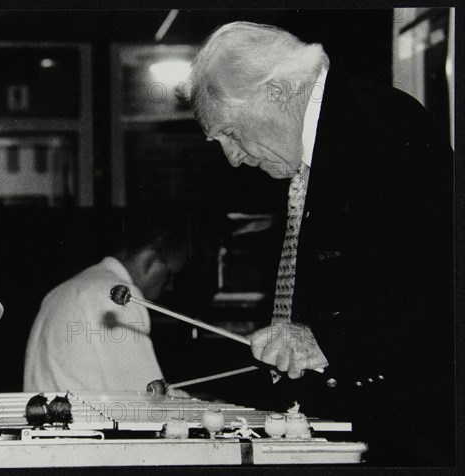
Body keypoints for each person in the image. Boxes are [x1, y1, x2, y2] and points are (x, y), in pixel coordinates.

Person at [181, 22, 453, 465]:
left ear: (277, 91)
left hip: (411, 436)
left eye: (230, 132)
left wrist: (328, 340)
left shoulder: (376, 128)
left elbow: (442, 284)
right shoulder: (322, 144)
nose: (232, 158)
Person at [24, 224, 187, 394]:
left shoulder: (59, 292)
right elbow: (147, 397)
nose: (169, 287)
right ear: (150, 260)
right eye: (169, 275)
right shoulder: (121, 294)